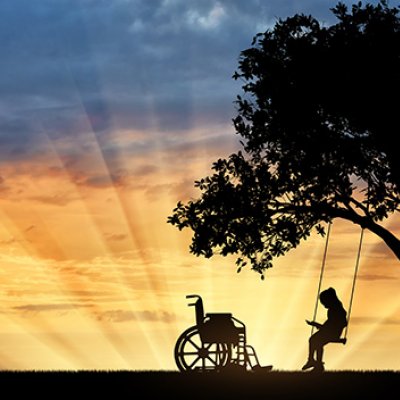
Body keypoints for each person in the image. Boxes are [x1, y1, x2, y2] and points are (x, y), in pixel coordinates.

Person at [302, 287, 347, 372]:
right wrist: (318, 325)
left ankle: (312, 361)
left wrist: (316, 324)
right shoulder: (335, 309)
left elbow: (331, 325)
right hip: (330, 332)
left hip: (332, 333)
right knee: (317, 343)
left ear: (329, 300)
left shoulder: (335, 310)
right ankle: (317, 365)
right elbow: (328, 325)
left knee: (313, 340)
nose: (323, 304)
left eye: (323, 302)